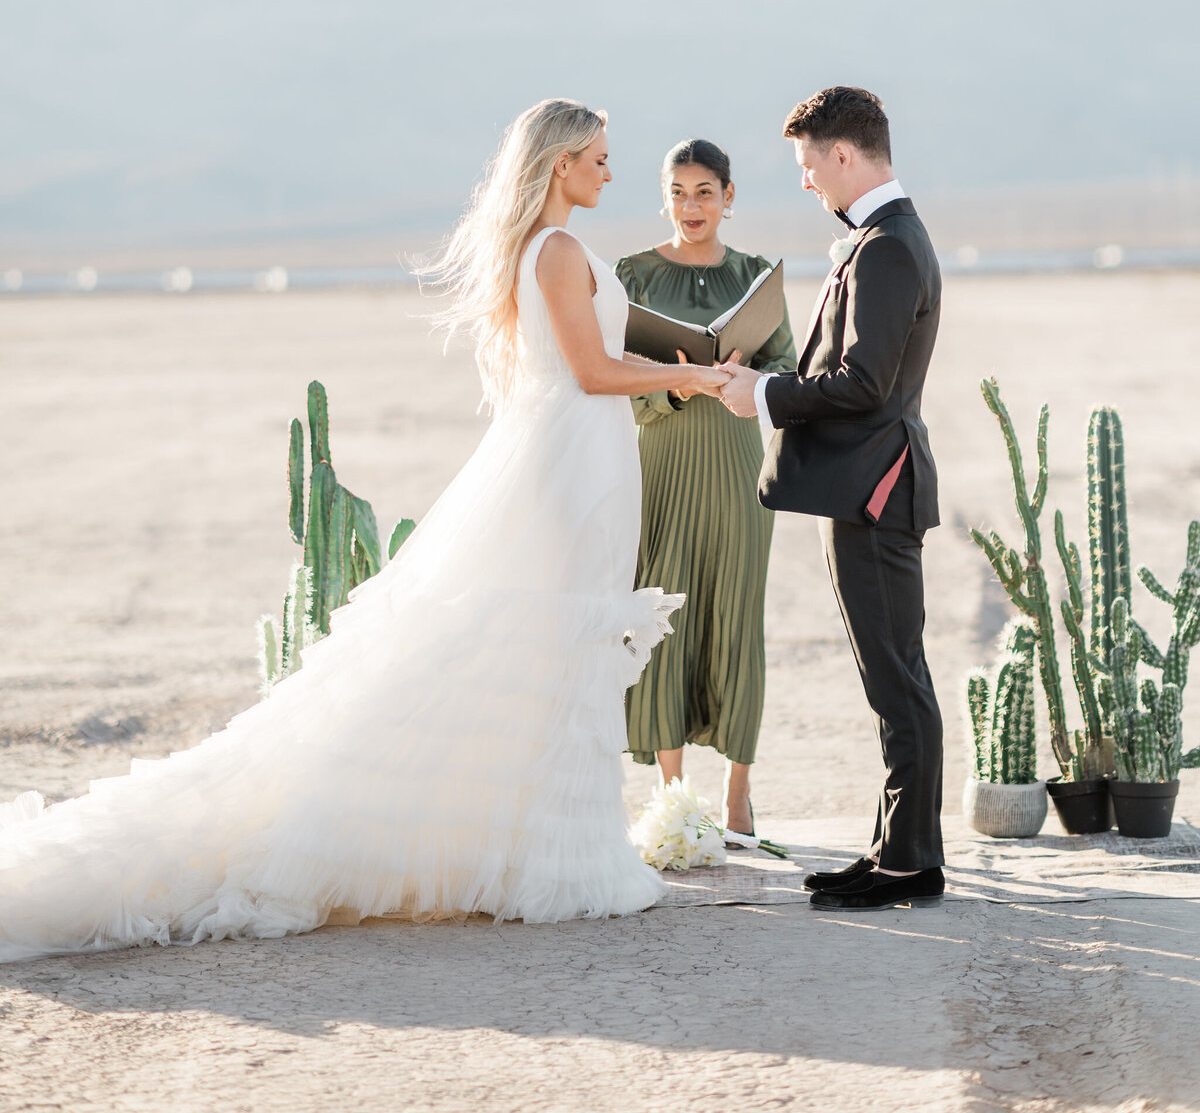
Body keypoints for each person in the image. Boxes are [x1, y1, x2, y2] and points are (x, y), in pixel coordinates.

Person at [0, 99, 732, 961]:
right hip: (572, 464)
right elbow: (588, 370)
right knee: (555, 644)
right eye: (600, 158)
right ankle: (563, 867)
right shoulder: (561, 249)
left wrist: (681, 378)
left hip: (579, 456)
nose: (611, 172)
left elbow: (595, 368)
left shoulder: (546, 248)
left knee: (551, 647)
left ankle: (553, 855)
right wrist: (692, 379)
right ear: (560, 165)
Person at [718, 87, 945, 910]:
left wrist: (766, 396)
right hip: (864, 490)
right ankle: (897, 850)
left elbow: (862, 383)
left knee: (897, 683)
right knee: (891, 679)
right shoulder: (882, 238)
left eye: (810, 164)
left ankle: (910, 864)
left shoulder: (886, 247)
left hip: (876, 493)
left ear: (843, 154)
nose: (808, 182)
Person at [615, 139, 796, 839]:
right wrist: (675, 382)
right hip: (661, 461)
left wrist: (748, 369)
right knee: (664, 617)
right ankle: (674, 796)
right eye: (679, 191)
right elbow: (613, 371)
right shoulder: (632, 273)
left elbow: (788, 362)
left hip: (736, 464)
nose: (692, 206)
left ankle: (739, 793)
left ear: (728, 196)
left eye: (705, 192)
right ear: (664, 195)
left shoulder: (755, 275)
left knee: (736, 617)